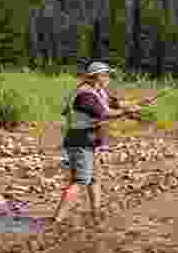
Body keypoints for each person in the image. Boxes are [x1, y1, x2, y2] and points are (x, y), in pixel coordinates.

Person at [54, 61, 141, 225]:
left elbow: (115, 104)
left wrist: (134, 105)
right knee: (80, 181)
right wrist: (127, 112)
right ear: (96, 77)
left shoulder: (98, 91)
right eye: (106, 74)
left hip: (90, 141)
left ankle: (96, 212)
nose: (109, 77)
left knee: (94, 178)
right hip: (80, 141)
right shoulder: (85, 96)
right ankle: (56, 220)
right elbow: (104, 114)